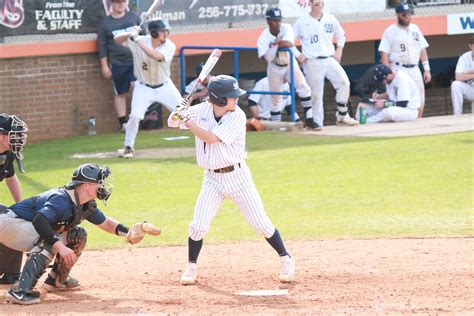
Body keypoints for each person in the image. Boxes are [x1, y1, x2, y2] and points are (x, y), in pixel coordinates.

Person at [167, 75, 295, 285]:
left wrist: (187, 120)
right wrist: (179, 109)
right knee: (198, 226)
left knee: (261, 224)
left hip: (238, 178)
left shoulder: (237, 116)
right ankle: (191, 267)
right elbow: (172, 122)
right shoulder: (200, 111)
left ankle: (286, 259)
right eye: (232, 97)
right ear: (219, 100)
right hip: (212, 180)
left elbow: (210, 138)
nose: (237, 100)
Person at [0, 163, 158, 305]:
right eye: (100, 182)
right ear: (86, 186)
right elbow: (40, 221)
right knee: (49, 238)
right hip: (8, 223)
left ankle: (56, 280)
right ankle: (20, 291)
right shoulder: (61, 199)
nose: (103, 186)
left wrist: (128, 233)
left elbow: (105, 223)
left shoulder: (84, 203)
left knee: (78, 234)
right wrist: (60, 246)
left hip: (22, 227)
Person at [114, 18, 180, 158]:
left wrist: (137, 40)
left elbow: (157, 56)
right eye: (163, 31)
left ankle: (207, 139)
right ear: (154, 33)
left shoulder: (169, 45)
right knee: (134, 116)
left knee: (183, 114)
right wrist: (130, 33)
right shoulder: (140, 39)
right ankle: (128, 147)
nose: (166, 34)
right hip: (143, 87)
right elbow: (116, 39)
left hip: (164, 86)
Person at [293, 0, 359, 128]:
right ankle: (317, 122)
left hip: (329, 58)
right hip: (312, 61)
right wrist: (298, 55)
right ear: (310, 3)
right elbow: (289, 41)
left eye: (321, 1)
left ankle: (342, 115)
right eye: (316, 2)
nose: (319, 3)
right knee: (316, 94)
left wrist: (339, 49)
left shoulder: (330, 18)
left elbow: (341, 35)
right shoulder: (302, 21)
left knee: (344, 82)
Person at [257, 8, 318, 130]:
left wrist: (275, 45)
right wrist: (278, 44)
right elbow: (266, 57)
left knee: (304, 88)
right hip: (274, 67)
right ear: (268, 21)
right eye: (274, 20)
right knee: (275, 98)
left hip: (289, 63)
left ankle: (310, 120)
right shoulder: (263, 36)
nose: (278, 23)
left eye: (279, 20)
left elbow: (289, 44)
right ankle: (276, 127)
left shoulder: (286, 27)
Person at [378, 3, 431, 118]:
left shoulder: (415, 28)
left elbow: (422, 49)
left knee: (420, 99)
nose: (407, 17)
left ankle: (418, 124)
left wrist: (427, 69)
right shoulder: (390, 31)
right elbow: (384, 53)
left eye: (409, 14)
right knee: (397, 99)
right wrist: (387, 72)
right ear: (397, 14)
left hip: (414, 68)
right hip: (398, 68)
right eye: (404, 15)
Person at [97, 0, 141, 131]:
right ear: (112, 4)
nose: (120, 4)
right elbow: (102, 46)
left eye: (123, 1)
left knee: (137, 88)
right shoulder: (105, 23)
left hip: (135, 61)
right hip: (117, 63)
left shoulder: (134, 17)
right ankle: (123, 123)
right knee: (120, 92)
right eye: (117, 2)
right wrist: (104, 65)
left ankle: (137, 119)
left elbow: (145, 37)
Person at [0, 114, 28, 285]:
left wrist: (20, 206)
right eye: (14, 134)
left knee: (13, 217)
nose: (18, 138)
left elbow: (11, 178)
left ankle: (10, 272)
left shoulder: (7, 154)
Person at [355, 64, 420, 123]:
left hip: (409, 111)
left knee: (388, 111)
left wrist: (384, 104)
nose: (382, 82)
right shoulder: (390, 79)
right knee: (363, 104)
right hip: (394, 106)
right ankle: (358, 120)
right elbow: (390, 95)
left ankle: (367, 122)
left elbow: (403, 103)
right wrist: (379, 96)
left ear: (388, 76)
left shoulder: (402, 80)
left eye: (382, 80)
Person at [451, 36, 474, 115]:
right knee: (456, 85)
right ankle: (457, 116)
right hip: (471, 89)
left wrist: (468, 72)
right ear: (470, 46)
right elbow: (458, 77)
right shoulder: (464, 57)